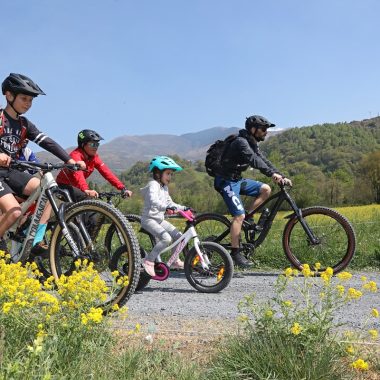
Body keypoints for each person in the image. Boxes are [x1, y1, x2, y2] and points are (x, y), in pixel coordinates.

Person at [0, 73, 84, 256]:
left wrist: (69, 160)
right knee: (13, 212)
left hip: (11, 172)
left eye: (31, 100)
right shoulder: (0, 118)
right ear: (8, 95)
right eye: (24, 98)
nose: (28, 103)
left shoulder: (23, 124)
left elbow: (45, 141)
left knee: (47, 191)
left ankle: (35, 240)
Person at [213, 115, 292, 269]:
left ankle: (248, 218)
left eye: (266, 129)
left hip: (237, 180)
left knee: (265, 189)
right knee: (238, 216)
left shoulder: (252, 143)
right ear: (253, 129)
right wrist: (271, 174)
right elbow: (253, 161)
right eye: (263, 129)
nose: (266, 132)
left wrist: (280, 175)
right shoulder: (241, 142)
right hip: (225, 181)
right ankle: (235, 253)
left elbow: (263, 160)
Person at [140, 156, 188, 277]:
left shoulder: (164, 187)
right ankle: (149, 261)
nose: (170, 177)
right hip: (149, 219)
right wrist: (165, 208)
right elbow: (153, 201)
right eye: (167, 173)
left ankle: (175, 261)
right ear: (157, 173)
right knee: (166, 238)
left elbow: (169, 203)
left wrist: (183, 208)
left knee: (179, 236)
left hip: (159, 220)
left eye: (171, 174)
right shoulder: (153, 185)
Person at [56, 129, 132, 201]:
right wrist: (86, 189)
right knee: (89, 203)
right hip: (62, 186)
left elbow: (107, 173)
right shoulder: (75, 156)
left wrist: (122, 187)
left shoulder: (94, 157)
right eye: (92, 144)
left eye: (97, 144)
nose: (95, 147)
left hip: (77, 188)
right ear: (83, 144)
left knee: (91, 205)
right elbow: (78, 174)